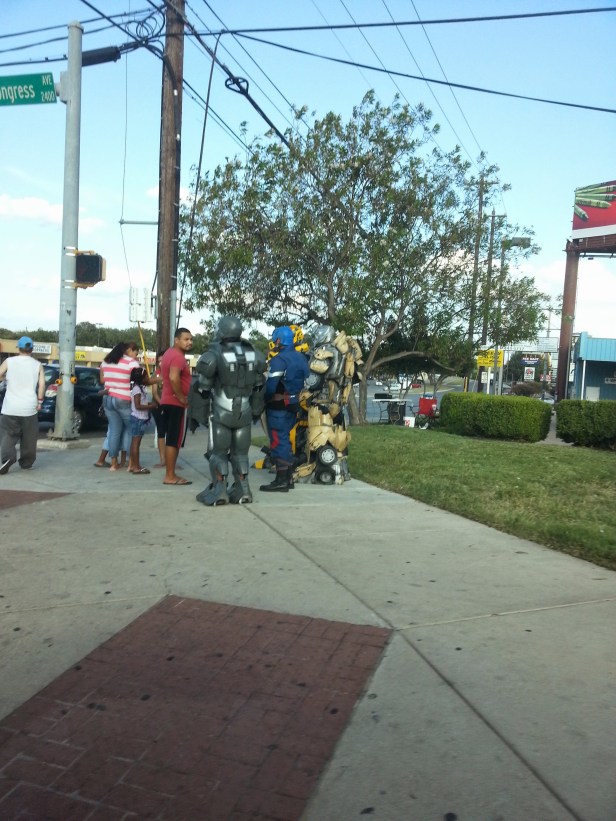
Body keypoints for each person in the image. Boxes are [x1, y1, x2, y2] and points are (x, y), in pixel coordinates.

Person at [194, 316, 266, 506]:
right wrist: (257, 411)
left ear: (222, 330)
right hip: (245, 410)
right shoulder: (254, 354)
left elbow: (202, 389)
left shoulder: (213, 355)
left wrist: (197, 415)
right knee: (241, 454)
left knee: (218, 453)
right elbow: (260, 388)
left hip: (222, 410)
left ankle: (220, 491)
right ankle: (244, 490)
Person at [260, 325, 310, 493]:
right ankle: (288, 478)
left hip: (278, 405)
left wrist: (263, 399)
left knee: (278, 440)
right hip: (294, 404)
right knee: (286, 440)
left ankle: (281, 480)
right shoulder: (301, 358)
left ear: (279, 340)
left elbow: (271, 387)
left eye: (275, 339)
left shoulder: (279, 360)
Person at [0, 336, 46, 474]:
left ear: (18, 349)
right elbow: (42, 385)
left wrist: (5, 378)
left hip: (10, 407)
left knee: (7, 435)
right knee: (29, 438)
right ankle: (26, 463)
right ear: (31, 349)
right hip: (29, 408)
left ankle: (8, 458)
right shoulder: (37, 365)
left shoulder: (9, 361)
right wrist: (39, 402)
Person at [159, 327, 193, 485]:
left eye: (191, 339)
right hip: (175, 402)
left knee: (171, 438)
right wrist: (181, 397)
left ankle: (170, 473)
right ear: (176, 340)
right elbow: (173, 378)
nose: (189, 342)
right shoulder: (178, 357)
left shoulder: (168, 354)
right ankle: (170, 475)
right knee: (174, 439)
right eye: (186, 339)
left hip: (167, 400)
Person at [128, 367, 157, 474]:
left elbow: (141, 404)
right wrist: (151, 406)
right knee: (136, 443)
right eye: (146, 376)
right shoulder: (137, 389)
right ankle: (136, 467)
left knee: (135, 443)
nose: (148, 378)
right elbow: (138, 406)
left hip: (139, 418)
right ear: (141, 378)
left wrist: (149, 404)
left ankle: (134, 465)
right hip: (138, 419)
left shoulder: (140, 388)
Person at [150, 350, 167, 468]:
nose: (161, 363)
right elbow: (155, 392)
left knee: (172, 433)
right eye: (159, 361)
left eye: (163, 361)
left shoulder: (173, 372)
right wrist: (162, 404)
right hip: (158, 406)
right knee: (161, 432)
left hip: (172, 406)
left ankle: (171, 460)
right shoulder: (156, 374)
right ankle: (163, 459)